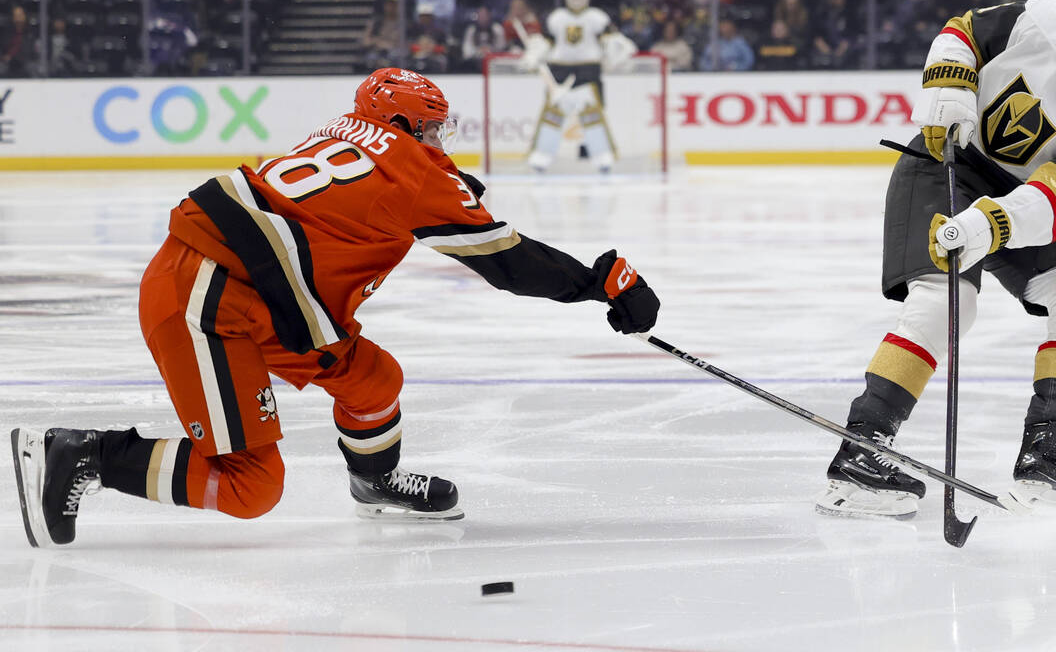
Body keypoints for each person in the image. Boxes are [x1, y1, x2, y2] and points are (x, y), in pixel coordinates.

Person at [11, 68, 661, 548]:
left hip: (252, 286)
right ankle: (83, 455)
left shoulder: (343, 134)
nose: (440, 141)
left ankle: (374, 483)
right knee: (251, 485)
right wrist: (602, 283)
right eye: (432, 129)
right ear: (405, 128)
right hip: (208, 298)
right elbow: (508, 261)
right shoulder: (414, 170)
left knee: (373, 379)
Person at [815, 0, 1056, 520]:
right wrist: (951, 87)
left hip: (1021, 203)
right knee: (947, 301)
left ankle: (1046, 451)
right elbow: (964, 31)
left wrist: (992, 224)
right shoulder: (1052, 16)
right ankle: (862, 449)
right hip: (944, 165)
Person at [519, 0, 637, 173]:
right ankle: (542, 156)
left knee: (593, 115)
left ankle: (602, 157)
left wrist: (619, 51)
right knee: (552, 116)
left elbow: (609, 39)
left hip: (588, 69)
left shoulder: (597, 17)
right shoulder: (556, 18)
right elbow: (546, 41)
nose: (576, 0)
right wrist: (533, 54)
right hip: (559, 70)